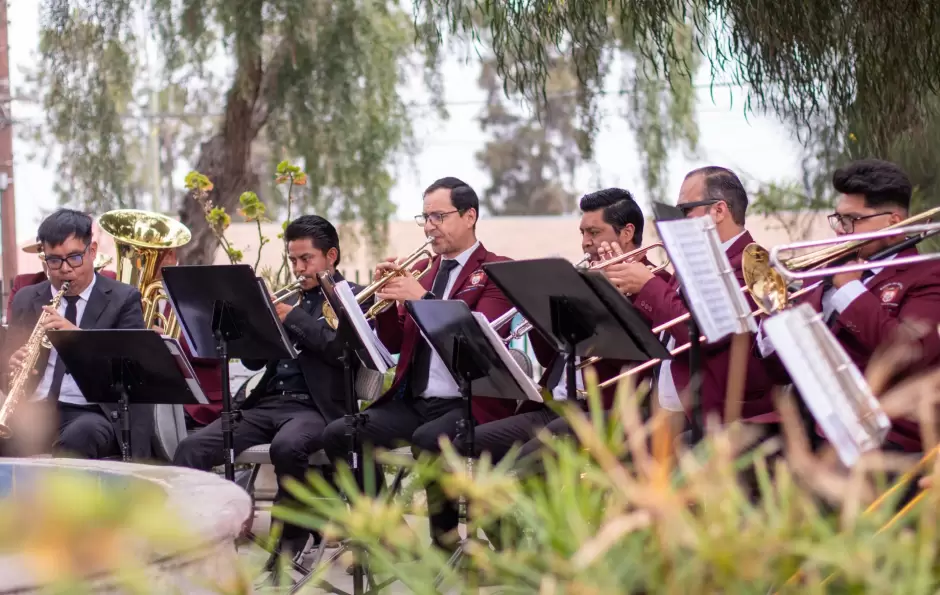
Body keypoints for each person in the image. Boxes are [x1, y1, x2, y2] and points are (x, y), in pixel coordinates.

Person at [320, 176, 515, 552]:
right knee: (340, 434)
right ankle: (387, 528)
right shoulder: (424, 270)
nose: (429, 227)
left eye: (438, 216)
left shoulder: (493, 270)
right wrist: (394, 304)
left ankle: (444, 545)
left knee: (430, 442)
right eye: (424, 217)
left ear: (470, 215)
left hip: (469, 401)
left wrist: (420, 298)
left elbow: (474, 343)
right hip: (416, 399)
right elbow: (393, 344)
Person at [172, 215, 361, 567]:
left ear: (331, 256)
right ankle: (194, 546)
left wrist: (292, 318)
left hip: (315, 408)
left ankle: (287, 546)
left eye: (307, 259)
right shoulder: (288, 299)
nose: (298, 268)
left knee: (287, 447)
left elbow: (341, 352)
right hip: (268, 403)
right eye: (293, 260)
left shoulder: (351, 297)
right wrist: (253, 322)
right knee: (192, 447)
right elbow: (258, 365)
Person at [756, 158, 940, 454]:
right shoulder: (826, 276)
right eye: (839, 219)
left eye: (852, 220)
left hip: (886, 438)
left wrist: (851, 290)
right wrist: (774, 322)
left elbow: (910, 356)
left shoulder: (927, 275)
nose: (841, 230)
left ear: (894, 223)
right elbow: (779, 372)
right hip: (812, 425)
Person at [474, 188, 668, 466]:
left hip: (605, 412)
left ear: (626, 233)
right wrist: (539, 310)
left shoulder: (655, 283)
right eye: (583, 233)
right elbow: (552, 357)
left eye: (594, 233)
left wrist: (610, 298)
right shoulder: (579, 279)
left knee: (524, 465)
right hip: (555, 405)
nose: (586, 243)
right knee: (469, 443)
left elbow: (640, 355)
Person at [599, 166, 776, 431]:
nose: (678, 220)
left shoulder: (751, 264)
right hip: (670, 412)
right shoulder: (694, 259)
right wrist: (627, 284)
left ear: (718, 211)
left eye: (685, 211)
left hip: (718, 420)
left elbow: (702, 333)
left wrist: (647, 284)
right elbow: (664, 327)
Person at [2, 209, 151, 459]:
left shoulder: (123, 298)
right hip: (35, 412)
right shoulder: (27, 298)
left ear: (92, 251)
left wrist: (79, 339)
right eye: (54, 260)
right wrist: (12, 365)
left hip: (93, 412)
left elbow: (133, 369)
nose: (64, 269)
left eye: (74, 257)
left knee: (79, 436)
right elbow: (6, 375)